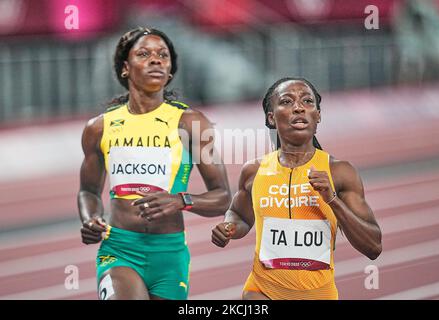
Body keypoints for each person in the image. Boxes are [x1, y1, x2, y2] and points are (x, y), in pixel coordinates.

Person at [77, 27, 232, 300]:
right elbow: (88, 191)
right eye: (144, 54)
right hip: (119, 250)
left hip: (169, 255)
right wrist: (90, 218)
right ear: (125, 68)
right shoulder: (99, 127)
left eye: (163, 55)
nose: (156, 60)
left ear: (170, 71)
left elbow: (222, 196)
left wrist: (181, 200)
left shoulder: (191, 123)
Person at [211, 77, 382, 300]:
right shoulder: (254, 171)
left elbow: (373, 247)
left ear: (318, 115)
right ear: (271, 117)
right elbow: (240, 215)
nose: (299, 107)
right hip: (262, 291)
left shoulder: (340, 172)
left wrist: (331, 200)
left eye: (308, 101)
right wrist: (229, 227)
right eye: (287, 101)